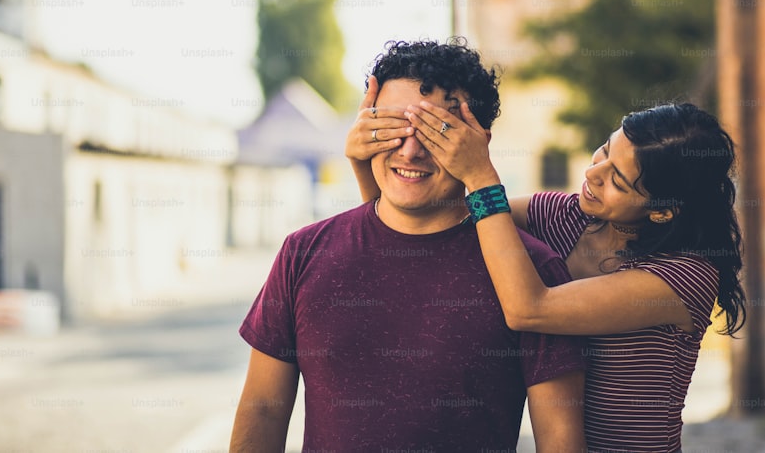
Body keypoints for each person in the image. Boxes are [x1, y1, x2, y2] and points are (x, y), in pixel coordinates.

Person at [230, 39, 589, 453]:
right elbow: (263, 411)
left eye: (437, 132)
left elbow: (561, 443)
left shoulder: (533, 273)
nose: (411, 149)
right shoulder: (303, 253)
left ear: (478, 143)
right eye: (394, 127)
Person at [348, 81, 746, 453]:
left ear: (661, 213)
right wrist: (363, 161)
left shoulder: (684, 276)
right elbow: (428, 234)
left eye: (618, 182)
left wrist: (480, 174)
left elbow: (530, 309)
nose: (592, 175)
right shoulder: (560, 216)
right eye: (605, 151)